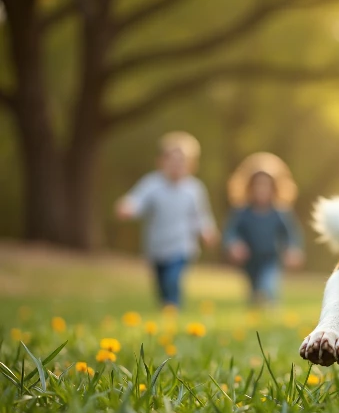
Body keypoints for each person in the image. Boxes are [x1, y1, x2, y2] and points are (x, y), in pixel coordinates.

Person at [115, 131, 218, 308]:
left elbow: (201, 215)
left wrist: (207, 231)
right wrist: (128, 206)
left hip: (182, 246)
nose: (176, 165)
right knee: (162, 284)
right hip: (156, 246)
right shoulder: (152, 184)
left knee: (172, 279)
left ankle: (173, 309)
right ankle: (166, 308)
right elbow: (137, 200)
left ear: (192, 165)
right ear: (161, 161)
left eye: (182, 161)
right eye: (172, 160)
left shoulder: (194, 189)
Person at [223, 152, 305, 305]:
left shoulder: (280, 213)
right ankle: (258, 310)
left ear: (274, 188)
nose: (261, 189)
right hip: (249, 260)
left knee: (268, 284)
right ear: (249, 187)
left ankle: (272, 305)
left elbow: (291, 235)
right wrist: (234, 244)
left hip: (270, 259)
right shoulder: (242, 212)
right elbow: (231, 232)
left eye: (266, 185)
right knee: (254, 292)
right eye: (257, 185)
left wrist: (293, 249)